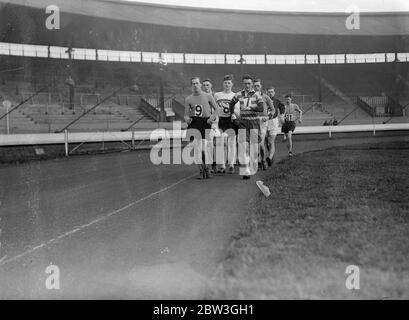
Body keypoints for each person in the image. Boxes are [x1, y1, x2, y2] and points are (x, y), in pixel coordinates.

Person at [229, 75, 265, 180]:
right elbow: (231, 104)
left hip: (254, 122)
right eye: (245, 83)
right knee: (244, 146)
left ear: (252, 84)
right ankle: (246, 170)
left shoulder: (257, 95)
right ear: (242, 84)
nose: (247, 85)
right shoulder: (238, 94)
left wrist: (249, 107)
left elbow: (261, 108)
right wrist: (233, 114)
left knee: (253, 148)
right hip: (243, 123)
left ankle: (252, 163)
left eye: (249, 83)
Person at [184, 77, 218, 179]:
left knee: (204, 148)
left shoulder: (208, 96)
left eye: (197, 83)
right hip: (194, 123)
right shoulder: (188, 99)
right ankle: (200, 170)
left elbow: (216, 110)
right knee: (197, 149)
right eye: (193, 83)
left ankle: (207, 168)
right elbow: (185, 114)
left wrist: (211, 119)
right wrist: (187, 119)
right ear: (191, 86)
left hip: (205, 122)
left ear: (200, 84)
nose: (195, 85)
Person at [214, 74, 238, 174]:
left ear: (232, 84)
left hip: (230, 121)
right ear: (222, 84)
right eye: (225, 83)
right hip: (221, 120)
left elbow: (237, 109)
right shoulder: (217, 95)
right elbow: (214, 108)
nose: (227, 84)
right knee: (220, 143)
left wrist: (235, 117)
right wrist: (214, 121)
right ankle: (222, 165)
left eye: (229, 83)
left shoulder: (235, 95)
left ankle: (231, 164)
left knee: (231, 143)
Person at [253, 79, 273, 171]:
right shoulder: (250, 98)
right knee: (254, 144)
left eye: (258, 86)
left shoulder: (266, 97)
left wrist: (268, 117)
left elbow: (273, 110)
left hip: (263, 121)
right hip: (253, 121)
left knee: (261, 144)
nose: (256, 87)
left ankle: (263, 160)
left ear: (261, 86)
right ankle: (256, 162)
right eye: (255, 86)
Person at [266, 86, 285, 166]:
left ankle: (269, 158)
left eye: (272, 92)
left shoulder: (276, 101)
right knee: (266, 141)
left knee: (271, 141)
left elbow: (282, 107)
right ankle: (271, 155)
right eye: (269, 91)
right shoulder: (263, 99)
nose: (270, 93)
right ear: (266, 92)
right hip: (264, 122)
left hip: (273, 122)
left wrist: (282, 116)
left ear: (274, 93)